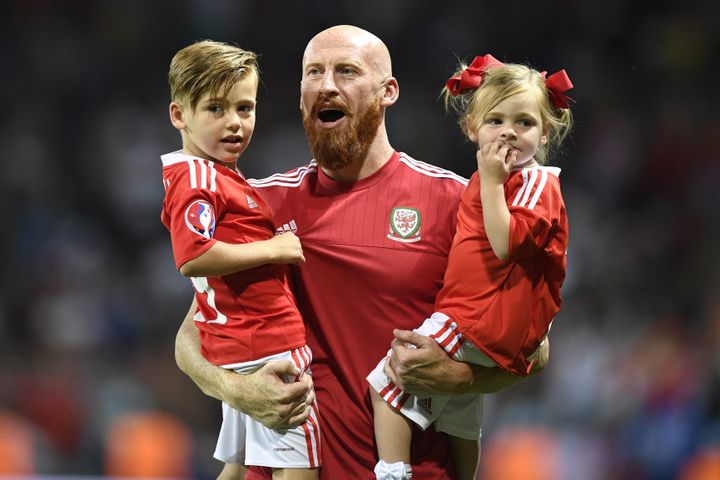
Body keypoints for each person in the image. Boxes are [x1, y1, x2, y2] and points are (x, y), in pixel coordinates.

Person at [174, 27, 549, 480]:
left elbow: (533, 348)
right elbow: (191, 337)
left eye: (346, 71)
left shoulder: (455, 202)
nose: (326, 85)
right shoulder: (260, 204)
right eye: (314, 73)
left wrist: (458, 379)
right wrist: (237, 390)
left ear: (387, 91)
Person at [366, 54, 574, 480]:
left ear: (546, 132)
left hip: (476, 317)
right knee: (459, 416)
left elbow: (506, 245)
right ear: (471, 128)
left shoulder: (535, 182)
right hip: (485, 318)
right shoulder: (487, 179)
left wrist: (494, 182)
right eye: (495, 120)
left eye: (525, 123)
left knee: (389, 380)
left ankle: (392, 473)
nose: (509, 133)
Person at [160, 40, 320, 479]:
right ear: (179, 116)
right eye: (215, 109)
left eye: (244, 109)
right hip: (266, 343)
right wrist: (275, 247)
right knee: (299, 468)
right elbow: (193, 256)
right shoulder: (196, 176)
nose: (234, 123)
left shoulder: (219, 173)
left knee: (238, 467)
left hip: (241, 346)